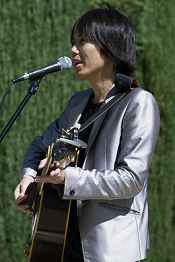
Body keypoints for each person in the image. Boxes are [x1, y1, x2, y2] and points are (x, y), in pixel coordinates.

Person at [14, 8, 160, 262]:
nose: (73, 49)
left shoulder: (138, 103)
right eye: (73, 41)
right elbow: (38, 148)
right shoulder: (77, 103)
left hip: (109, 250)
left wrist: (68, 177)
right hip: (58, 241)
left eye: (83, 40)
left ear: (111, 46)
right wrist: (28, 177)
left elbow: (131, 179)